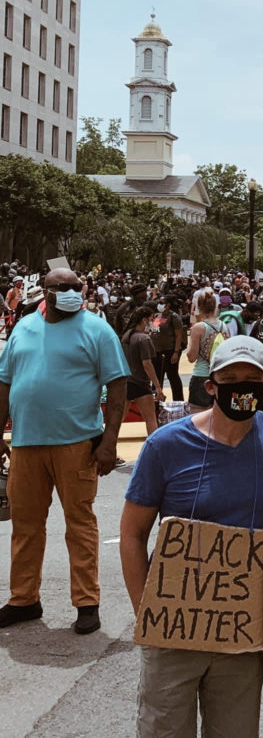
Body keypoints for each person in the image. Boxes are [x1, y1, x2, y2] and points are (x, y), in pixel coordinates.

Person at [121, 335, 263, 737]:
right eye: (230, 378)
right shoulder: (165, 445)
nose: (242, 387)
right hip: (173, 630)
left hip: (241, 631)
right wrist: (147, 616)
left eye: (251, 380)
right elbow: (133, 534)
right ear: (211, 386)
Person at [0, 267, 129, 633]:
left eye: (77, 287)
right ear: (46, 291)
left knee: (79, 523)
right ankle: (24, 599)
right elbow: (5, 384)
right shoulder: (23, 327)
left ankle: (86, 602)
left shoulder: (98, 330)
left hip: (77, 444)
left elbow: (117, 391)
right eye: (64, 287)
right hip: (26, 443)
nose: (73, 292)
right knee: (25, 524)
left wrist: (109, 442)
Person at [121, 304, 163, 435]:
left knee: (118, 420)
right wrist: (158, 387)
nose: (152, 322)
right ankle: (155, 450)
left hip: (125, 382)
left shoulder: (126, 336)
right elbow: (147, 364)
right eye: (151, 319)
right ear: (144, 320)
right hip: (140, 384)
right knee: (150, 419)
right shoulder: (144, 339)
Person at [185, 290, 230, 408]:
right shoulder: (224, 326)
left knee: (198, 420)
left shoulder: (198, 327)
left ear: (199, 307)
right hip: (220, 376)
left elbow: (191, 357)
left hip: (201, 375)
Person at [151, 295, 185, 402]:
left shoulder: (174, 317)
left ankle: (178, 400)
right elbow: (154, 331)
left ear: (168, 305)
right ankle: (157, 400)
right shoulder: (157, 316)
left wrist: (176, 352)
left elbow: (179, 335)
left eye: (162, 303)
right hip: (157, 351)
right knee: (157, 377)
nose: (159, 305)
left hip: (170, 350)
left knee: (172, 376)